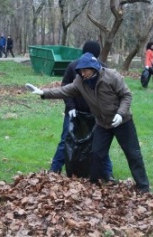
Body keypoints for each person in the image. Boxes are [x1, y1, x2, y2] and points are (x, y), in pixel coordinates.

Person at [26, 52, 150, 193]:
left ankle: (143, 187)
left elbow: (126, 95)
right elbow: (65, 91)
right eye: (80, 71)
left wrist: (121, 114)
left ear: (94, 68)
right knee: (96, 153)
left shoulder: (112, 76)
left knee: (133, 154)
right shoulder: (80, 82)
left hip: (122, 122)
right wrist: (43, 92)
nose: (82, 74)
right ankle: (95, 183)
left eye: (85, 70)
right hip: (102, 124)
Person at [50, 41, 115, 183]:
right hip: (74, 111)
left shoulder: (103, 68)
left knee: (100, 142)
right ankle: (54, 169)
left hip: (95, 113)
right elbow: (65, 87)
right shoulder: (74, 66)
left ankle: (107, 172)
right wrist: (71, 106)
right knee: (67, 138)